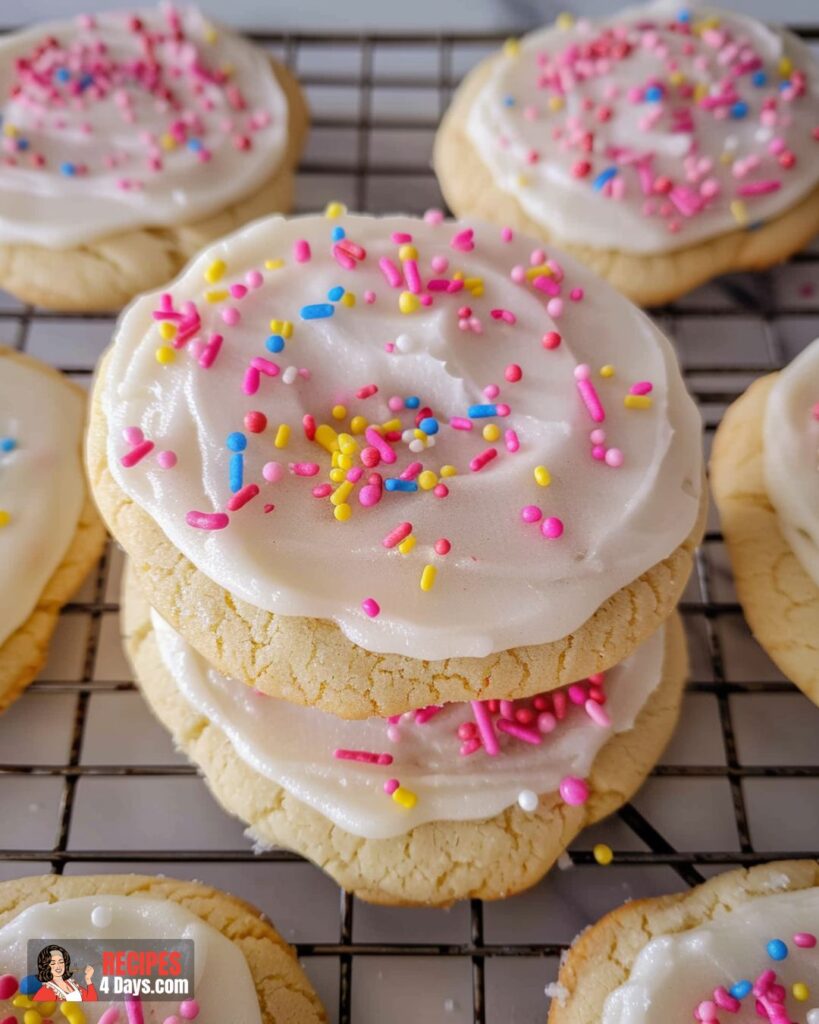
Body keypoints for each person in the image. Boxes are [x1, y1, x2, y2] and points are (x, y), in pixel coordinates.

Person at [32, 945, 97, 1002]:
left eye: (61, 962)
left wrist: (88, 979)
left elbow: (92, 1000)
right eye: (53, 963)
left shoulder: (71, 983)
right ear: (46, 966)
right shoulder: (47, 990)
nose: (58, 966)